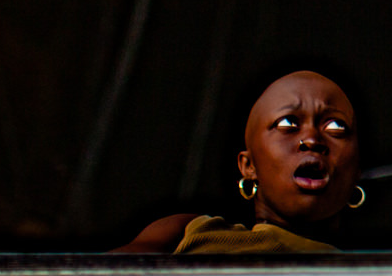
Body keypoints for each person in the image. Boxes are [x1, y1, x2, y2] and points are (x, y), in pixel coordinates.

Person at [114, 70, 364, 253]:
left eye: (336, 126)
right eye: (287, 124)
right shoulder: (185, 231)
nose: (311, 139)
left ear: (357, 172)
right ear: (248, 166)